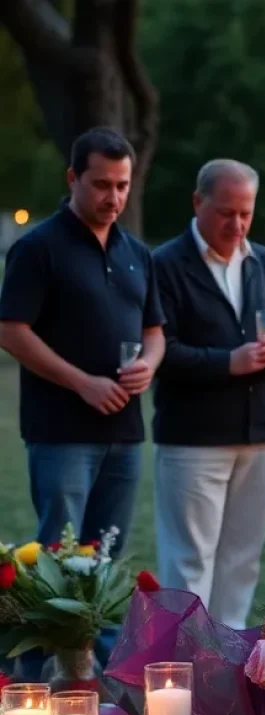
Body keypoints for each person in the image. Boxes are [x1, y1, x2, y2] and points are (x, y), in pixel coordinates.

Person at [151, 159, 265, 629]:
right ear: (198, 202)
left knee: (243, 559)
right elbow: (163, 350)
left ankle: (228, 665)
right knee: (190, 561)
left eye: (246, 213)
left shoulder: (264, 262)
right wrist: (227, 362)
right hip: (193, 437)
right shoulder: (165, 264)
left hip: (259, 432)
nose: (237, 225)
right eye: (226, 213)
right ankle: (184, 668)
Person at [0, 127, 164, 554]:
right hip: (60, 432)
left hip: (125, 432)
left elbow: (155, 332)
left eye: (123, 185)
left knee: (108, 556)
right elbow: (11, 331)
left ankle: (107, 629)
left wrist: (149, 362)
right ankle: (55, 629)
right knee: (59, 560)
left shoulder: (137, 253)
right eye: (102, 185)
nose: (114, 197)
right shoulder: (38, 248)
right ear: (73, 179)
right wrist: (83, 383)